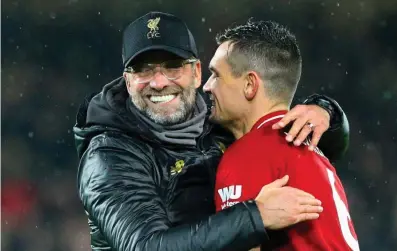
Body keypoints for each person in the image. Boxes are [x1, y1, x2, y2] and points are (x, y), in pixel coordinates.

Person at [74, 11, 350, 251]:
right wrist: (255, 216)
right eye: (143, 70)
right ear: (128, 81)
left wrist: (326, 112)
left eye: (172, 67)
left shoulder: (220, 122)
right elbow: (145, 246)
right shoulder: (110, 153)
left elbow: (305, 147)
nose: (158, 82)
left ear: (196, 73)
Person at [205, 19, 359, 250]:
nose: (207, 86)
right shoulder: (310, 148)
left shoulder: (249, 153)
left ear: (250, 85)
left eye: (216, 75)